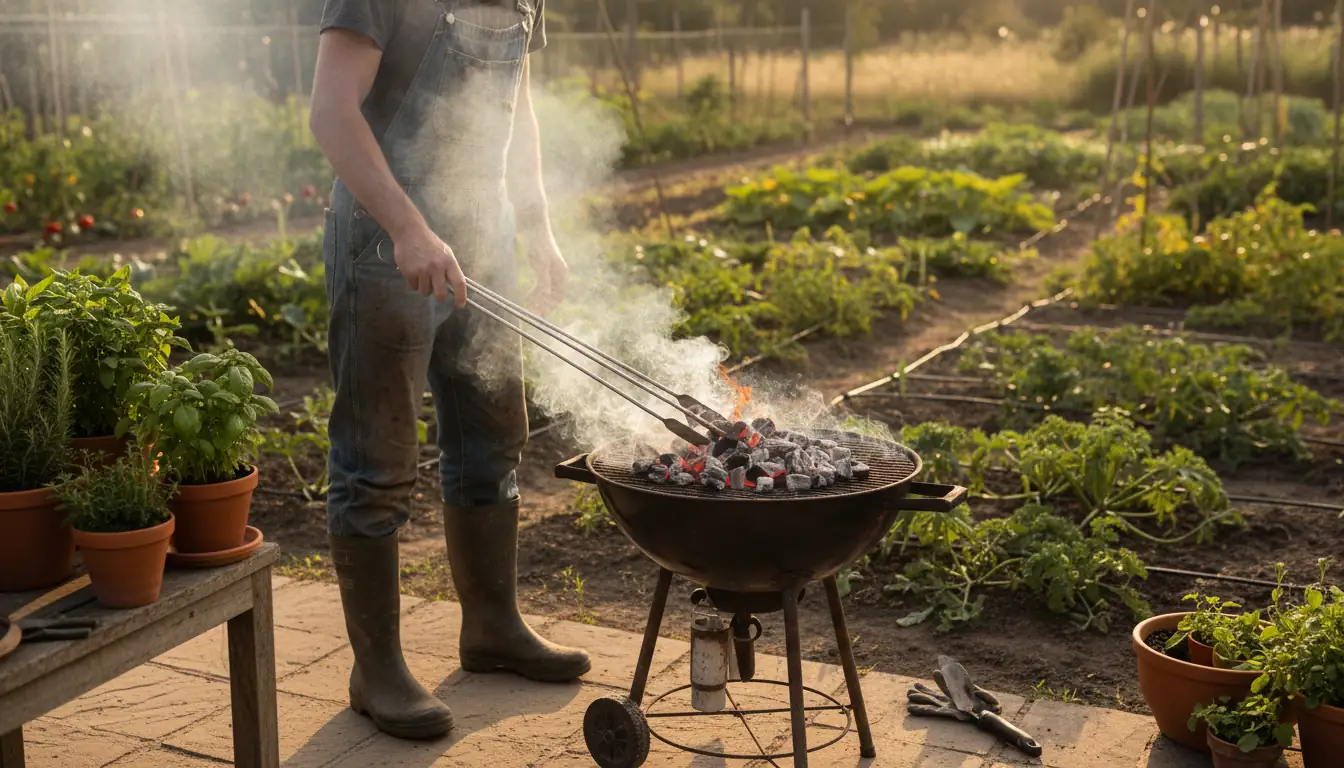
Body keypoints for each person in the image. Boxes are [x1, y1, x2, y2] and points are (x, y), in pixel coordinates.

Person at [309, 0, 587, 740]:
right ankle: (377, 672)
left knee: (493, 437)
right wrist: (409, 228)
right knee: (377, 462)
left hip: (482, 231)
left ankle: (492, 627)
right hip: (386, 240)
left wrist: (536, 228)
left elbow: (514, 106)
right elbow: (332, 112)